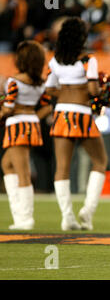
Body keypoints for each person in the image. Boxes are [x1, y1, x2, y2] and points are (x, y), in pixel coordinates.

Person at [45, 17, 107, 231]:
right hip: (81, 114)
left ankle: (67, 217)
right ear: (81, 37)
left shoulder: (55, 60)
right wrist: (102, 91)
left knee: (62, 167)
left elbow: (49, 89)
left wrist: (67, 91)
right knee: (100, 161)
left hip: (62, 113)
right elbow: (92, 91)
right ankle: (88, 212)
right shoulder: (88, 59)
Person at [0, 40, 52, 230]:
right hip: (30, 124)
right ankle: (18, 214)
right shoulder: (39, 82)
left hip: (17, 126)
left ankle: (25, 217)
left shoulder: (14, 81)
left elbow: (8, 107)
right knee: (7, 164)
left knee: (22, 171)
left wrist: (4, 112)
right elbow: (47, 107)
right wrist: (31, 117)